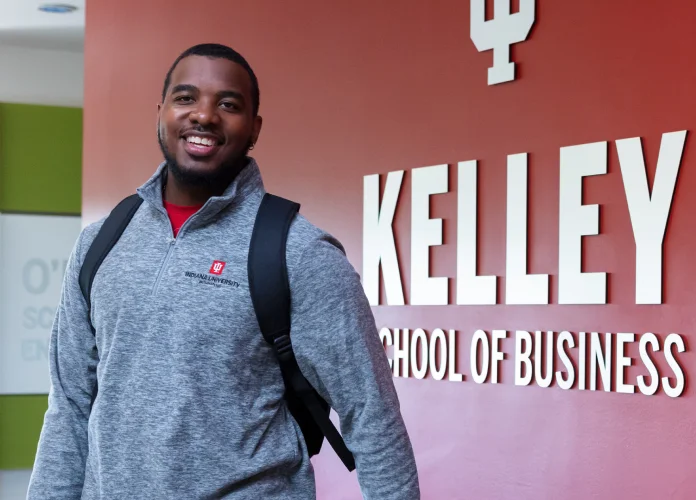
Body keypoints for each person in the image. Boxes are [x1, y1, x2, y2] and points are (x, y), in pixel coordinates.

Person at [27, 43, 420, 499]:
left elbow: (371, 415)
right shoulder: (101, 242)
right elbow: (71, 405)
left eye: (228, 105)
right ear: (161, 113)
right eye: (186, 98)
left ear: (254, 129)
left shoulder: (298, 252)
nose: (204, 116)